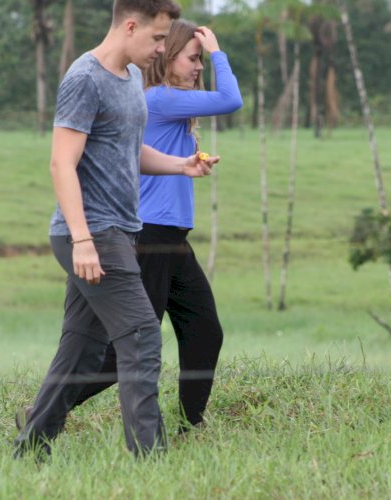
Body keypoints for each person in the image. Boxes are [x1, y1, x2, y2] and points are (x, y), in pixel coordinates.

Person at [13, 0, 220, 459]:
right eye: (158, 38)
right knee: (143, 337)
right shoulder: (85, 79)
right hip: (91, 234)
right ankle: (151, 461)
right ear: (130, 26)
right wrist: (83, 239)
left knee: (82, 352)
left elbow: (130, 151)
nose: (162, 48)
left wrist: (180, 166)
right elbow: (61, 162)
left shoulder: (128, 80)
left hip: (118, 232)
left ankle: (29, 449)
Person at [63, 20, 242, 433]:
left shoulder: (168, 103)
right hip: (151, 236)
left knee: (203, 332)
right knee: (128, 347)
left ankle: (190, 426)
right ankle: (45, 411)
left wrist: (188, 164)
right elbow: (232, 100)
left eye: (201, 60)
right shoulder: (161, 98)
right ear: (170, 57)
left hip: (173, 239)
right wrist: (218, 51)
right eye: (193, 58)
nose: (198, 67)